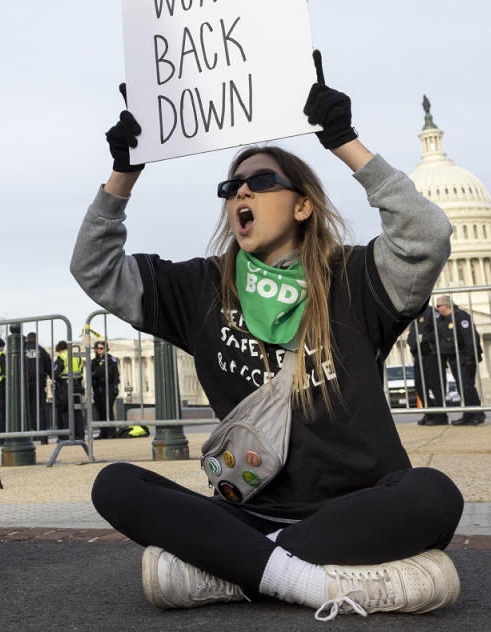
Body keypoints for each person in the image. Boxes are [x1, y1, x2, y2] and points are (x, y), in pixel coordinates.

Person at [71, 76, 462, 619]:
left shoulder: (355, 276)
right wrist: (124, 173)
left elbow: (428, 236)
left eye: (260, 182)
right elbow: (94, 268)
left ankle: (234, 570)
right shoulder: (203, 288)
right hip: (249, 511)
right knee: (115, 484)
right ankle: (309, 579)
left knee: (434, 495)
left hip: (358, 506)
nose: (241, 193)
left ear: (303, 206)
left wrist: (345, 143)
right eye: (231, 187)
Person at [431, 297, 485, 426]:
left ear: (446, 306)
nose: (437, 309)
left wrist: (470, 357)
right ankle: (468, 414)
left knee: (467, 386)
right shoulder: (442, 320)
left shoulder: (461, 316)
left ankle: (478, 414)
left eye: (438, 306)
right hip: (453, 357)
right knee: (461, 387)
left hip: (464, 356)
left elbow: (469, 337)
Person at [405, 307, 450, 425]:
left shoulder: (432, 313)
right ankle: (430, 412)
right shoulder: (414, 315)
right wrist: (412, 342)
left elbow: (439, 330)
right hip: (419, 356)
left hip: (432, 354)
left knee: (436, 387)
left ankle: (441, 416)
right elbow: (412, 334)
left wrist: (424, 339)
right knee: (420, 386)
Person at [22, 332, 53, 444]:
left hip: (24, 383)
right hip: (38, 382)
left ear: (27, 339)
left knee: (25, 409)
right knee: (40, 409)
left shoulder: (22, 350)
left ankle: (27, 437)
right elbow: (50, 367)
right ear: (35, 339)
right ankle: (43, 438)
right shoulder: (41, 350)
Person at [52, 341, 86, 441]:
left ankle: (66, 436)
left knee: (65, 411)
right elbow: (81, 373)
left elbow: (55, 373)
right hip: (77, 385)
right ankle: (80, 435)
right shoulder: (78, 358)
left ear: (59, 350)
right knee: (77, 411)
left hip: (65, 386)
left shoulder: (62, 358)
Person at [90, 340, 121, 438]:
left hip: (109, 387)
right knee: (100, 410)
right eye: (97, 348)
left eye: (101, 348)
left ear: (105, 349)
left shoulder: (110, 359)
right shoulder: (93, 361)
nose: (99, 350)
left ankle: (111, 432)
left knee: (108, 409)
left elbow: (115, 374)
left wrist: (116, 386)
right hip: (98, 388)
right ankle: (103, 432)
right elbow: (91, 375)